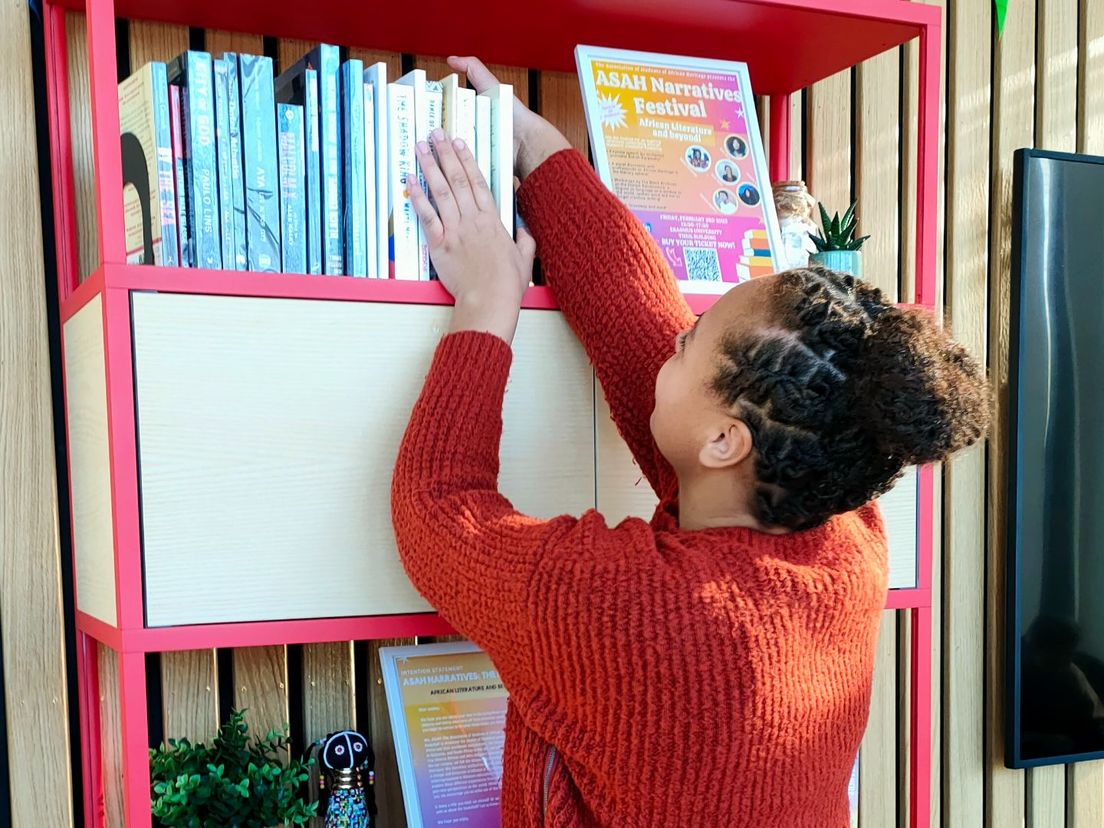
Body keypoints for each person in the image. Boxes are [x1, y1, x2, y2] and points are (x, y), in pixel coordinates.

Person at [391, 55, 990, 828]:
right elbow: (639, 327)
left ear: (723, 441)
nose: (674, 335)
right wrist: (537, 149)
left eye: (693, 338)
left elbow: (436, 514)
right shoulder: (843, 540)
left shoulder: (621, 608)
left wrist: (486, 300)